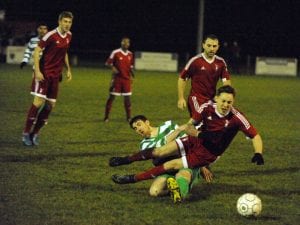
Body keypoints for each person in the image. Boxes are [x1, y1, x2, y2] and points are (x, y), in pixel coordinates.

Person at [109, 86, 264, 202]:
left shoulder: (236, 118)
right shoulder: (206, 107)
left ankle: (131, 178)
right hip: (195, 140)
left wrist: (258, 153)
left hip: (207, 152)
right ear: (216, 98)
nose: (226, 105)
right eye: (223, 101)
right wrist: (189, 128)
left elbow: (255, 135)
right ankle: (125, 160)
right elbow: (192, 123)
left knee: (172, 166)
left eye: (229, 102)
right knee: (159, 151)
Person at [125, 115, 213, 202]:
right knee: (154, 192)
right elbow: (160, 148)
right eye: (135, 128)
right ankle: (172, 190)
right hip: (166, 169)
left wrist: (201, 165)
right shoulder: (144, 145)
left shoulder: (168, 125)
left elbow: (187, 142)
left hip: (185, 162)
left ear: (147, 122)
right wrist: (178, 130)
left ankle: (179, 195)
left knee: (182, 175)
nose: (138, 129)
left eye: (139, 124)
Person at [21, 11, 74, 146]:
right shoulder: (50, 35)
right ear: (59, 22)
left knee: (50, 106)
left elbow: (64, 53)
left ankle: (35, 133)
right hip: (44, 74)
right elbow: (37, 51)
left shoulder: (69, 36)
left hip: (56, 76)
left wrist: (68, 69)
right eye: (65, 21)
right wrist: (37, 71)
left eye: (69, 22)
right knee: (38, 103)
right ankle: (26, 133)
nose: (67, 24)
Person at [177, 34, 231, 122]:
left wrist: (226, 98)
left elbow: (226, 81)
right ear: (203, 45)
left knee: (214, 124)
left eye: (214, 46)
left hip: (212, 100)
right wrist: (181, 98)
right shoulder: (195, 61)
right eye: (209, 45)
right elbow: (182, 79)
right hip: (196, 98)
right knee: (200, 122)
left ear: (218, 47)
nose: (212, 48)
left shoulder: (221, 62)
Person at [103, 37, 134, 122]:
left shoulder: (130, 54)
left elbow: (130, 66)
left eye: (128, 43)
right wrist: (113, 68)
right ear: (121, 43)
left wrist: (132, 76)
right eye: (124, 42)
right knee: (112, 97)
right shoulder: (116, 52)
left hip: (126, 80)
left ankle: (129, 117)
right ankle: (106, 117)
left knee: (127, 99)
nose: (126, 44)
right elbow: (108, 63)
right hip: (117, 79)